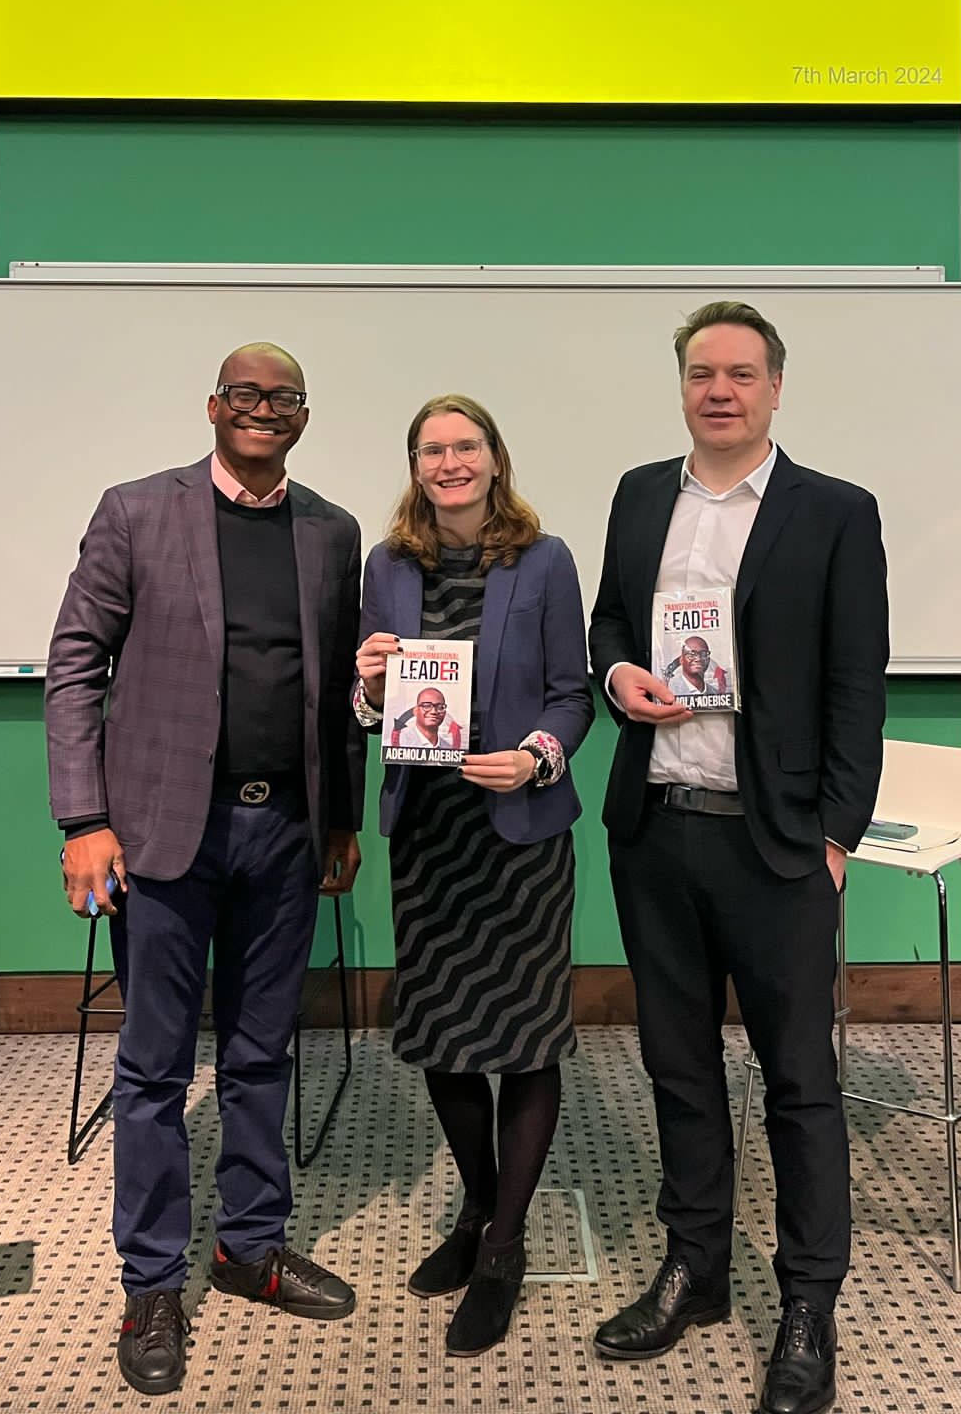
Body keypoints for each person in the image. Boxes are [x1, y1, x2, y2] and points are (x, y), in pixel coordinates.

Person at [46, 342, 365, 1399]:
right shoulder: (137, 511)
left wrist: (341, 817)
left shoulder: (331, 531)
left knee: (263, 1053)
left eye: (282, 397)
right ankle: (150, 1282)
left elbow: (335, 687)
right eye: (245, 393)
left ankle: (248, 1245)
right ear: (214, 405)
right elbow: (75, 664)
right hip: (162, 835)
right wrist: (84, 818)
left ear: (303, 417)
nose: (262, 408)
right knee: (153, 1070)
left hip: (287, 835)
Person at [588, 302, 888, 1414]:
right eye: (702, 372)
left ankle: (808, 1302)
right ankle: (696, 1267)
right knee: (678, 1066)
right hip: (657, 827)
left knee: (800, 1082)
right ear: (681, 386)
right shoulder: (638, 494)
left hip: (778, 845)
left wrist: (836, 837)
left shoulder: (836, 511)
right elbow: (609, 623)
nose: (720, 390)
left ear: (775, 389)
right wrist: (617, 676)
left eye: (742, 374)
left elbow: (858, 682)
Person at [354, 394, 594, 1356]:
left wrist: (537, 756)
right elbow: (370, 702)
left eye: (466, 446)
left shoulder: (545, 559)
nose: (449, 463)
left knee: (525, 1041)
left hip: (520, 835)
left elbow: (573, 696)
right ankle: (480, 1208)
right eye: (432, 450)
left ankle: (502, 1250)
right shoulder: (387, 565)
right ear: (415, 465)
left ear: (496, 458)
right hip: (430, 835)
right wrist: (369, 686)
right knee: (446, 1039)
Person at [392, 687, 467, 751]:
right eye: (427, 706)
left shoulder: (449, 750)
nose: (434, 711)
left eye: (440, 707)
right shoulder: (399, 744)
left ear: (444, 713)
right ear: (416, 711)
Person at [665, 634, 729, 699]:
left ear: (708, 660)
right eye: (691, 654)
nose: (698, 659)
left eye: (703, 654)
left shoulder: (716, 694)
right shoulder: (669, 690)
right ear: (681, 660)